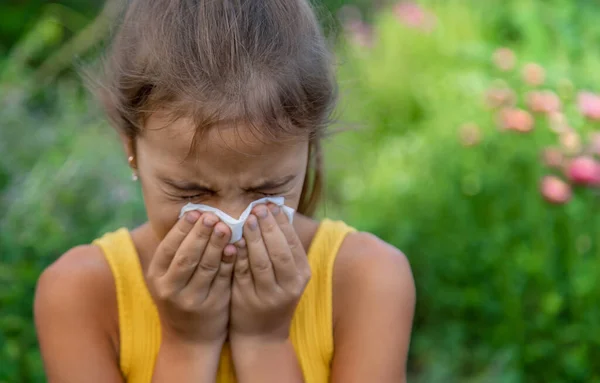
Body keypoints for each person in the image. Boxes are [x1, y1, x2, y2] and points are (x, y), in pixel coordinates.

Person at [33, 1, 415, 382]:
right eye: (190, 192)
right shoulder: (78, 294)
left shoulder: (369, 279)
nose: (231, 221)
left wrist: (264, 341)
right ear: (130, 148)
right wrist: (187, 345)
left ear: (310, 146)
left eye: (267, 188)